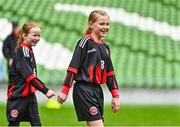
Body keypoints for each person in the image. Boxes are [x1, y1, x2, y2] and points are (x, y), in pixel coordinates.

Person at [57, 10, 120, 127]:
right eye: (102, 24)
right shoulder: (85, 42)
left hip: (97, 91)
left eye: (107, 24)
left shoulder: (106, 47)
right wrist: (65, 90)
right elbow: (73, 67)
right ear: (91, 24)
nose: (105, 27)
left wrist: (115, 96)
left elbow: (110, 73)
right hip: (83, 90)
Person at [6, 21, 55, 127]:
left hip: (29, 95)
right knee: (14, 124)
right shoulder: (23, 51)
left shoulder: (29, 50)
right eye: (34, 35)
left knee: (36, 123)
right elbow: (29, 76)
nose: (37, 38)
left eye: (39, 35)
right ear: (24, 35)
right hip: (18, 96)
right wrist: (45, 90)